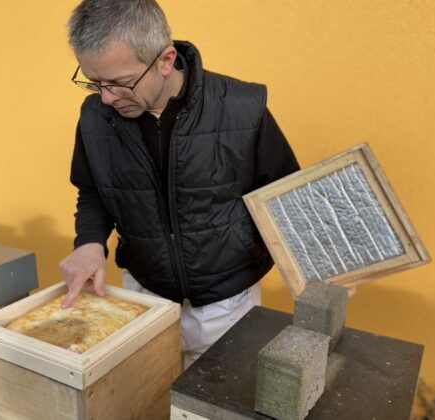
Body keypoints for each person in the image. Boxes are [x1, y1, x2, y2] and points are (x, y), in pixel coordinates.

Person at [60, 0, 299, 368]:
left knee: (215, 398)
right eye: (95, 83)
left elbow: (285, 194)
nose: (106, 97)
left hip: (227, 302)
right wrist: (90, 242)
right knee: (147, 391)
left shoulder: (242, 106)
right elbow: (93, 190)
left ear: (166, 60)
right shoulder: (95, 115)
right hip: (144, 293)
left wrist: (315, 264)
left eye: (121, 84)